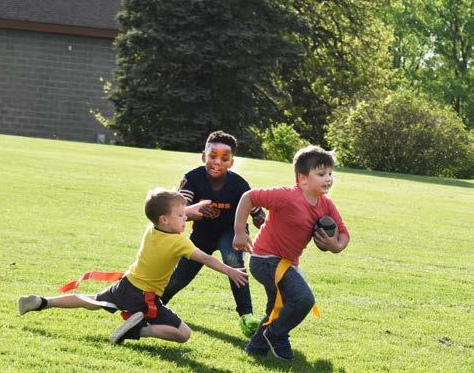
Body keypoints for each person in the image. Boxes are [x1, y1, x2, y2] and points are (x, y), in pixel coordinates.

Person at [18, 188, 248, 345]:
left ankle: (42, 302)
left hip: (126, 285)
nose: (186, 219)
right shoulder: (179, 242)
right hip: (145, 297)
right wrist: (230, 270)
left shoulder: (152, 229)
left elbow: (170, 217)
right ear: (165, 219)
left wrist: (188, 209)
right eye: (181, 216)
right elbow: (206, 258)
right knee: (183, 334)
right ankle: (138, 330)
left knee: (93, 301)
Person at [233, 145, 350, 361]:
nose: (328, 179)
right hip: (265, 260)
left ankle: (256, 348)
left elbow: (344, 234)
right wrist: (240, 232)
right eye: (321, 174)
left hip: (287, 263)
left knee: (278, 308)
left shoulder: (326, 205)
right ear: (303, 179)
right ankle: (275, 334)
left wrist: (335, 245)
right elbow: (249, 197)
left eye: (330, 173)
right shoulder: (286, 196)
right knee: (303, 299)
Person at [161, 130, 266, 337]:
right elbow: (179, 211)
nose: (217, 162)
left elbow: (257, 213)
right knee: (180, 276)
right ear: (203, 156)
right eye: (212, 156)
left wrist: (262, 222)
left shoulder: (239, 184)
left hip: (231, 232)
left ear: (231, 162)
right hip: (202, 235)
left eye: (224, 158)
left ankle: (247, 315)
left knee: (233, 261)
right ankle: (156, 305)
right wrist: (196, 212)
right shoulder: (192, 178)